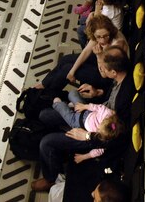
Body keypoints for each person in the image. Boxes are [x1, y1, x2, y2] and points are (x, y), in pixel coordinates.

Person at [32, 47, 134, 193]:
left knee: (46, 143)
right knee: (45, 115)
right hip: (93, 114)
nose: (101, 70)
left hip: (94, 132)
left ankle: (51, 177)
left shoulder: (124, 100)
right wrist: (97, 92)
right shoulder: (119, 78)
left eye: (104, 69)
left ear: (113, 72)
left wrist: (86, 136)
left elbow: (114, 137)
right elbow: (107, 101)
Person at [35, 15, 127, 94]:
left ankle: (48, 93)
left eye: (105, 36)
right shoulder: (101, 34)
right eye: (98, 37)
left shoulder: (117, 44)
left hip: (109, 76)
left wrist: (99, 56)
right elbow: (86, 52)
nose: (102, 40)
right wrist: (72, 72)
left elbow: (104, 74)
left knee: (66, 69)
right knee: (65, 60)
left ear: (110, 31)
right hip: (102, 61)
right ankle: (44, 84)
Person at [50, 97, 123, 162]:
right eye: (100, 124)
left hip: (77, 122)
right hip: (86, 112)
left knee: (64, 111)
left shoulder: (104, 138)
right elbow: (98, 107)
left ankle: (58, 104)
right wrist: (85, 106)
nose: (97, 127)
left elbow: (98, 151)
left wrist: (84, 157)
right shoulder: (108, 113)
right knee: (72, 94)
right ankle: (70, 106)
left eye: (98, 130)